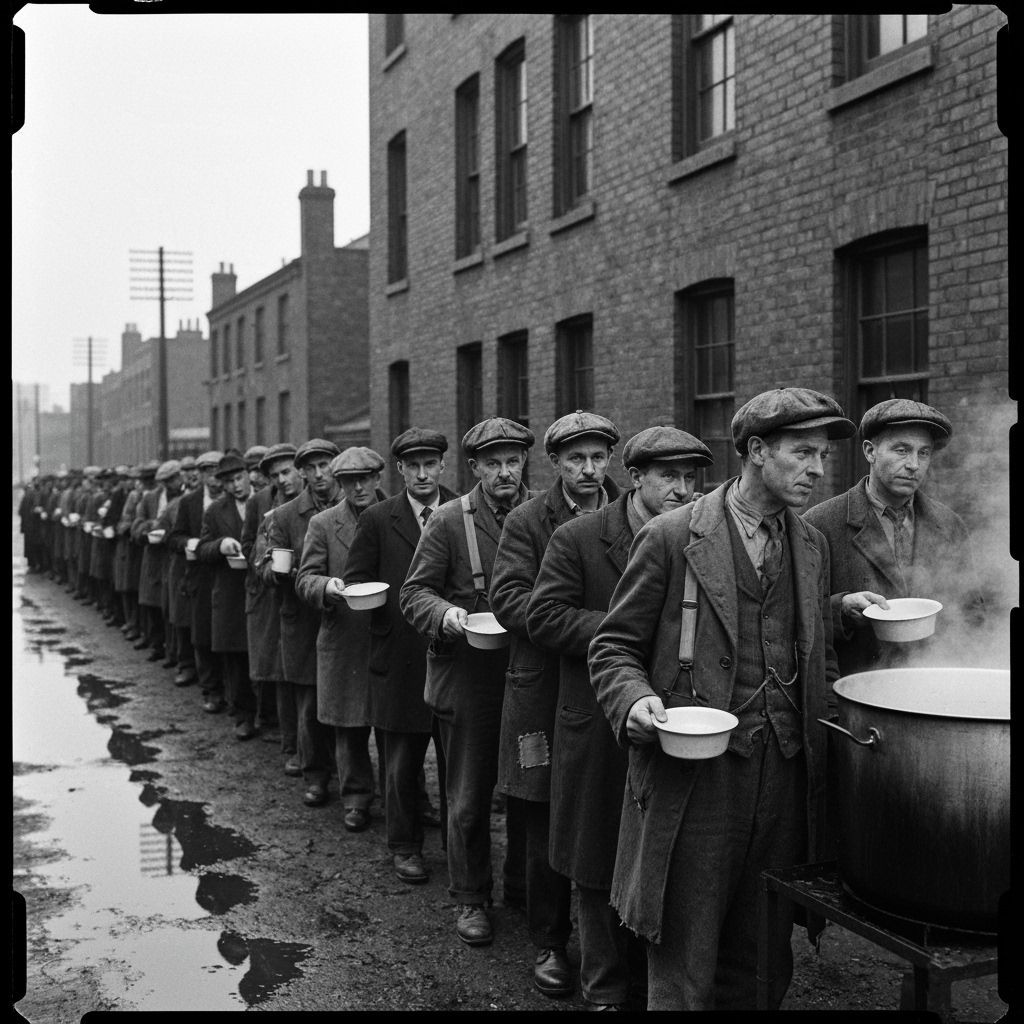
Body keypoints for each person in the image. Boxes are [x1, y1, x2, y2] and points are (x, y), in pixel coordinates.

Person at [588, 387, 851, 1011]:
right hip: (697, 782)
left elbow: (820, 659)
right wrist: (634, 702)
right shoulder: (672, 537)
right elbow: (613, 648)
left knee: (761, 963)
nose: (818, 469)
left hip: (785, 781)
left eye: (823, 455)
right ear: (756, 451)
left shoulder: (810, 544)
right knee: (683, 963)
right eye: (803, 452)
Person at [526, 424, 712, 1010]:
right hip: (594, 718)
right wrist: (624, 631)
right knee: (595, 854)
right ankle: (604, 989)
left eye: (690, 478)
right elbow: (544, 616)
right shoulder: (580, 537)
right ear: (634, 478)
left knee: (654, 849)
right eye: (668, 477)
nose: (682, 490)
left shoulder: (697, 538)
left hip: (667, 717)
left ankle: (643, 977)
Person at [489, 411, 621, 998]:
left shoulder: (636, 514)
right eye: (576, 460)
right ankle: (549, 941)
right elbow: (511, 599)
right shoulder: (528, 521)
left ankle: (613, 942)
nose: (589, 470)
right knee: (544, 813)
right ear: (555, 465)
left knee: (607, 812)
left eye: (598, 458)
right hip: (542, 691)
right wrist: (606, 630)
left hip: (613, 692)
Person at [400, 416, 537, 947]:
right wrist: (449, 617)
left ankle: (524, 890)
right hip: (470, 677)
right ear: (474, 467)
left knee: (531, 788)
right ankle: (470, 897)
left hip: (530, 677)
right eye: (493, 463)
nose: (505, 472)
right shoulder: (450, 520)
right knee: (468, 795)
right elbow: (414, 594)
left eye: (513, 461)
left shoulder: (543, 513)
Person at [343, 428, 458, 883]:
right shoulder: (377, 519)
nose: (424, 474)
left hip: (452, 655)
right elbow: (356, 577)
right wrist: (373, 604)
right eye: (414, 466)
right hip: (397, 658)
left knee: (455, 763)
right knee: (401, 763)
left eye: (431, 465)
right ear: (401, 470)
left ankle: (457, 847)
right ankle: (405, 846)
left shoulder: (460, 512)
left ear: (443, 467)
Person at [803, 398, 985, 676]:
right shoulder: (819, 525)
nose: (913, 464)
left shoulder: (950, 525)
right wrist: (841, 609)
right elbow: (794, 624)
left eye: (923, 453)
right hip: (856, 693)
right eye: (901, 450)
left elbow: (973, 615)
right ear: (870, 451)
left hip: (933, 684)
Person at [295, 446, 387, 829]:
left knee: (397, 728)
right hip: (344, 637)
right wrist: (327, 586)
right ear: (340, 483)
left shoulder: (398, 515)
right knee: (349, 725)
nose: (359, 487)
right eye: (350, 481)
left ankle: (411, 797)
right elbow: (304, 578)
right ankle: (356, 798)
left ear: (379, 478)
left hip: (390, 636)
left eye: (365, 478)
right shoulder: (323, 523)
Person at [263, 438, 341, 804]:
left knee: (347, 700)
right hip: (304, 620)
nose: (319, 474)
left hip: (346, 619)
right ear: (302, 473)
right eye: (310, 468)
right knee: (309, 703)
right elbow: (263, 566)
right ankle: (316, 775)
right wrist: (281, 570)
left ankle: (349, 772)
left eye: (324, 465)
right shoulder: (284, 515)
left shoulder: (360, 504)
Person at [242, 442, 303, 769]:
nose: (281, 480)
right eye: (274, 475)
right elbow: (251, 546)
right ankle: (291, 744)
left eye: (286, 471)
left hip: (315, 596)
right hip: (276, 596)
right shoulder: (261, 503)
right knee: (283, 671)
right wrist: (266, 562)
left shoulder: (316, 500)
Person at [197, 450, 257, 739]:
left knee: (264, 654)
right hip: (231, 593)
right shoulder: (215, 511)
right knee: (235, 659)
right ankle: (242, 715)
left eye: (239, 478)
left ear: (248, 475)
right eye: (229, 482)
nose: (235, 486)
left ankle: (268, 716)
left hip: (262, 590)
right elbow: (202, 549)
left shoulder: (267, 501)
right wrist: (220, 545)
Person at [170, 450, 225, 712]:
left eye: (217, 472)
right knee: (202, 634)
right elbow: (175, 537)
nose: (213, 479)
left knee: (226, 634)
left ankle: (228, 688)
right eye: (208, 472)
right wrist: (187, 543)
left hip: (226, 576)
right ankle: (211, 689)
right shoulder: (189, 503)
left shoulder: (232, 500)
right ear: (201, 475)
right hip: (198, 576)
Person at [132, 460, 183, 662]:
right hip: (154, 557)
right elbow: (136, 524)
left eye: (174, 478)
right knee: (153, 603)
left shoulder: (186, 498)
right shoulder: (150, 499)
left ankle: (174, 651)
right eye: (166, 481)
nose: (171, 483)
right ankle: (156, 645)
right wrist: (147, 531)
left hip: (174, 557)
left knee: (172, 607)